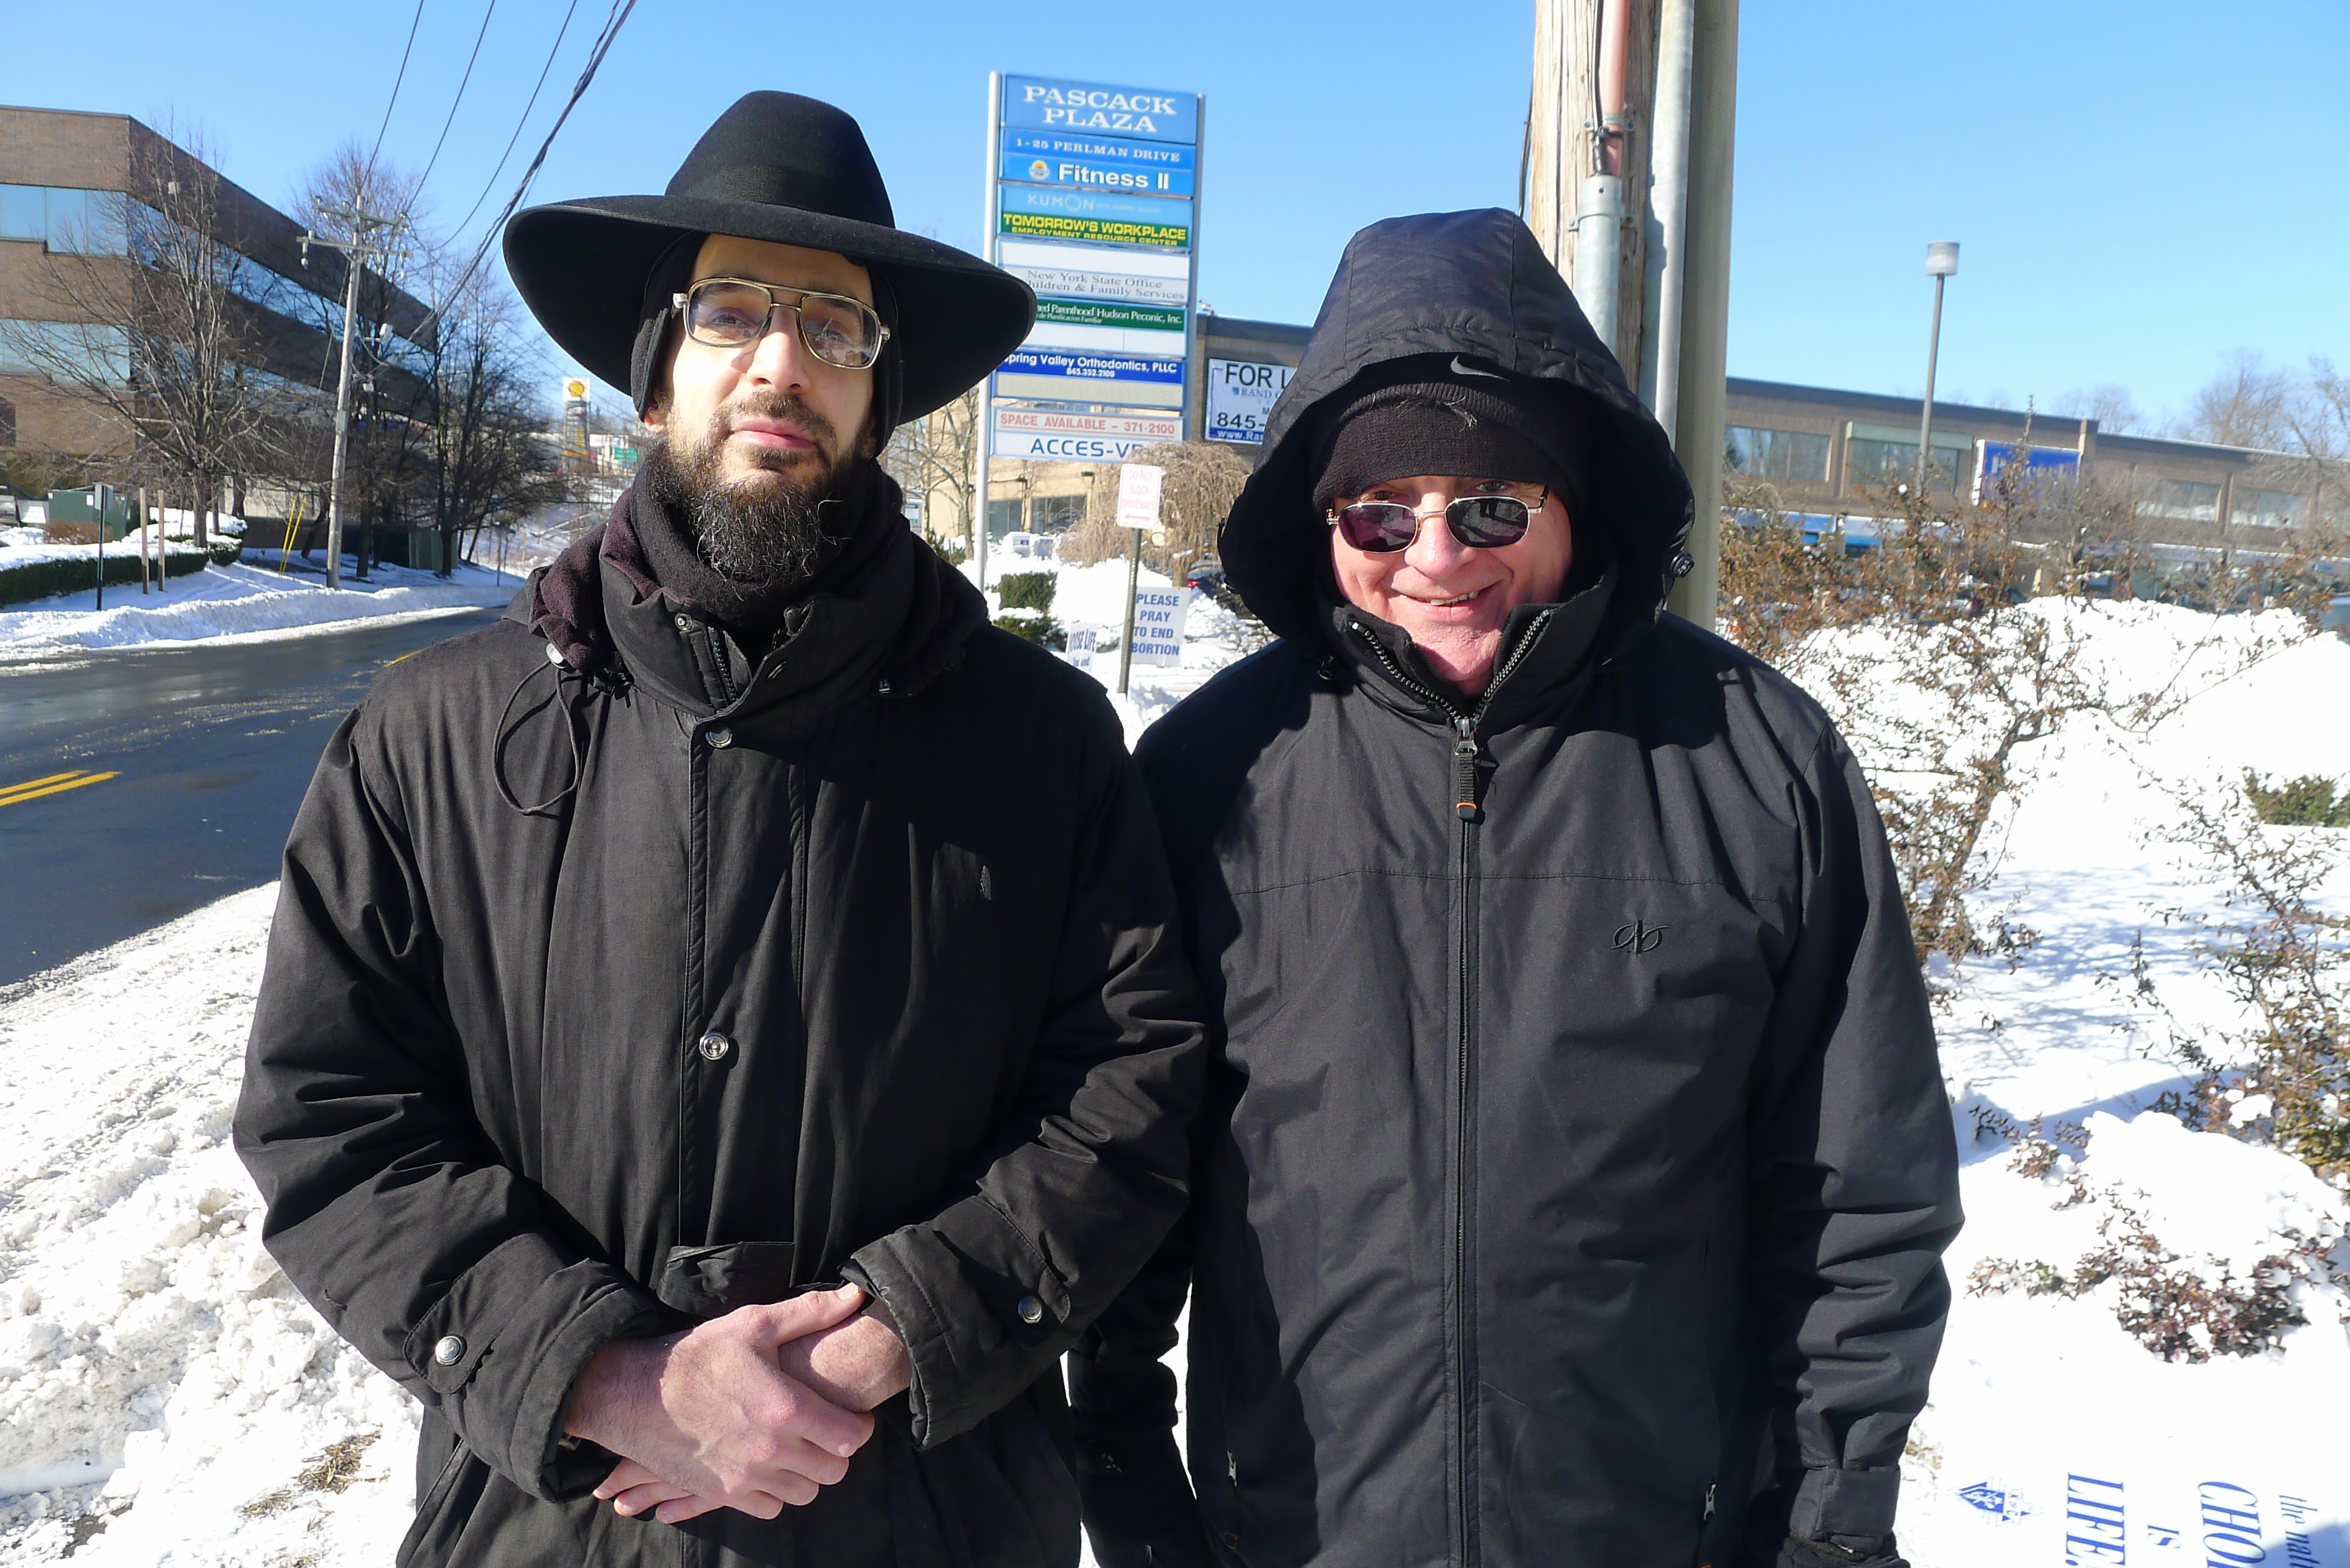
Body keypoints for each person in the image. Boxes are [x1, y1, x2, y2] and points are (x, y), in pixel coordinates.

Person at [235, 93, 1209, 1568]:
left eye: (834, 327)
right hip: (554, 1526)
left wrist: (899, 1330)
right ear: (652, 374)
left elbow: (1129, 1089)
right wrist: (594, 1372)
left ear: (879, 396)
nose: (780, 361)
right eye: (731, 310)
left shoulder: (1044, 743)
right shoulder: (435, 735)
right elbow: (329, 1112)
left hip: (927, 1516)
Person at [1067, 209, 1962, 1568]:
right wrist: (1131, 1488)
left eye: (1491, 505)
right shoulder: (1209, 770)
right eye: (1381, 512)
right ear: (1324, 521)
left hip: (1654, 1529)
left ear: (1572, 503)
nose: (1435, 556)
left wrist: (1832, 1524)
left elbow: (1859, 1185)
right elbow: (1131, 1164)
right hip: (1301, 1527)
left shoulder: (1757, 761)